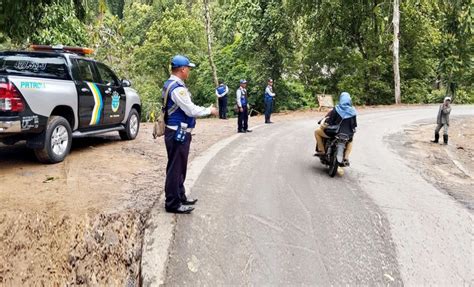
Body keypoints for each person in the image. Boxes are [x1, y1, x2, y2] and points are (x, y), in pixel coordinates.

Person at [162, 55, 218, 214]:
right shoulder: (178, 88)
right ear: (182, 69)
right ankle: (172, 203)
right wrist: (209, 110)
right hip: (177, 134)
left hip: (175, 132)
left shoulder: (170, 84)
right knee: (175, 168)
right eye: (188, 69)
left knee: (178, 168)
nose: (189, 72)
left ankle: (180, 196)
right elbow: (190, 109)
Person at [314, 92, 357, 166]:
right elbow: (354, 125)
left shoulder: (336, 109)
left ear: (341, 99)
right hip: (347, 136)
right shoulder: (353, 111)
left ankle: (322, 151)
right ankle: (346, 158)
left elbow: (329, 122)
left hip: (333, 133)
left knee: (317, 132)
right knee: (351, 141)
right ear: (349, 100)